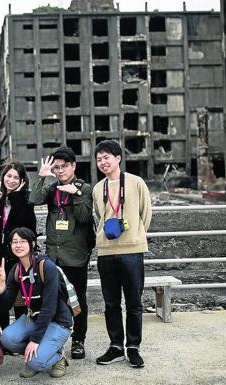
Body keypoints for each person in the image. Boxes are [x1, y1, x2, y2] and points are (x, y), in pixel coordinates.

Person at [29, 146, 94, 359]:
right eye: (56, 167)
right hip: (53, 254)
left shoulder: (84, 188)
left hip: (75, 255)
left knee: (79, 299)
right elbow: (35, 199)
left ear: (73, 166)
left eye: (64, 166)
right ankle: (56, 340)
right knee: (53, 299)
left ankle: (78, 340)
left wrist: (74, 194)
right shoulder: (53, 188)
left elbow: (84, 218)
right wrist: (43, 176)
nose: (60, 170)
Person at [91, 140, 151, 368]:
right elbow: (99, 215)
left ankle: (133, 346)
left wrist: (135, 236)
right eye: (99, 159)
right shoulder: (98, 188)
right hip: (106, 252)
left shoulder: (136, 183)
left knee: (134, 303)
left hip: (132, 251)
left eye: (107, 157)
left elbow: (146, 214)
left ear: (118, 158)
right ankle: (116, 346)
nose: (103, 162)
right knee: (111, 303)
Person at [0, 227, 72, 379]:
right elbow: (4, 308)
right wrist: (2, 285)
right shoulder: (16, 270)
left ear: (32, 243)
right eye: (14, 242)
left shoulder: (46, 266)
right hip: (35, 318)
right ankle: (41, 353)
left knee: (36, 362)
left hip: (57, 321)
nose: (18, 245)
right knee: (7, 339)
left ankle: (58, 356)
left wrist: (35, 340)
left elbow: (49, 307)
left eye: (23, 241)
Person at [0, 161, 37, 331]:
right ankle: (6, 334)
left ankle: (18, 335)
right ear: (2, 177)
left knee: (20, 300)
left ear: (22, 180)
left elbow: (27, 226)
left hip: (17, 256)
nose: (11, 180)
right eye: (8, 176)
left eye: (16, 177)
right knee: (1, 299)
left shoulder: (26, 199)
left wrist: (16, 197)